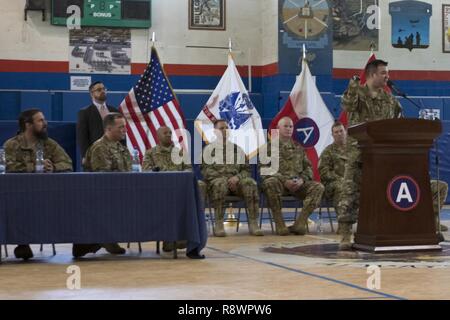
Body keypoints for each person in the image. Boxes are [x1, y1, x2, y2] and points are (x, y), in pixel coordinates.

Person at [337, 59, 403, 250]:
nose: (387, 77)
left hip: (382, 155)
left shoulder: (389, 99)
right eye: (383, 73)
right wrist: (352, 85)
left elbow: (398, 122)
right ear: (372, 74)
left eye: (387, 73)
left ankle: (385, 230)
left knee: (386, 192)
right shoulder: (357, 93)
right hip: (358, 153)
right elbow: (347, 106)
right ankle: (345, 235)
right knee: (350, 192)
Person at [4, 108, 73, 260]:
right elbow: (8, 166)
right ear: (28, 125)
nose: (45, 123)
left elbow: (67, 162)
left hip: (46, 196)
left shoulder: (49, 144)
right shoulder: (12, 144)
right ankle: (22, 242)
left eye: (44, 120)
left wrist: (53, 167)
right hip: (19, 195)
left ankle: (82, 242)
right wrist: (34, 167)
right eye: (40, 120)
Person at [260, 117, 324, 236]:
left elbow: (308, 168)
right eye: (286, 126)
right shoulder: (268, 147)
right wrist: (284, 181)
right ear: (278, 128)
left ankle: (300, 223)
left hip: (298, 185)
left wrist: (302, 180)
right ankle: (280, 224)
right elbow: (264, 169)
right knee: (270, 183)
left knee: (318, 187)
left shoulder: (298, 147)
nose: (289, 129)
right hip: (279, 184)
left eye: (291, 126)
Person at [77, 113, 130, 257]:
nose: (125, 130)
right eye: (121, 127)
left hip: (120, 192)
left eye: (125, 126)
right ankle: (101, 239)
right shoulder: (100, 147)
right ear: (108, 129)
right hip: (102, 195)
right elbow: (103, 180)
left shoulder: (121, 148)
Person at [201, 120, 263, 237]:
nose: (225, 130)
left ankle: (253, 222)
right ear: (215, 132)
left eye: (226, 128)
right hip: (218, 183)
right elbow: (206, 170)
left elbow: (246, 169)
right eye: (221, 128)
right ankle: (219, 223)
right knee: (220, 184)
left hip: (237, 183)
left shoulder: (237, 149)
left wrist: (237, 178)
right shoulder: (208, 150)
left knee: (250, 183)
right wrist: (226, 179)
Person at [142, 126, 190, 253]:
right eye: (165, 133)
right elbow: (146, 172)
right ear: (158, 136)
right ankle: (169, 239)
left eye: (170, 133)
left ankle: (190, 235)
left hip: (180, 190)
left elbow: (188, 170)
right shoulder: (150, 153)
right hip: (159, 192)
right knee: (167, 202)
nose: (168, 135)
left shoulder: (180, 153)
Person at [77, 81, 119, 165]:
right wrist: (85, 156)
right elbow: (82, 136)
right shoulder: (85, 112)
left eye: (104, 89)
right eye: (99, 90)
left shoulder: (114, 111)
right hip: (95, 155)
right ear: (92, 94)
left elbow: (120, 132)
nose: (103, 91)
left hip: (115, 155)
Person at [318, 121, 348, 234]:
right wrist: (340, 179)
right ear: (332, 135)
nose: (339, 134)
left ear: (345, 132)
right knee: (341, 187)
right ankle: (343, 224)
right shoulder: (328, 151)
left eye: (341, 131)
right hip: (333, 184)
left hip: (352, 182)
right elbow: (324, 171)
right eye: (336, 132)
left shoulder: (355, 149)